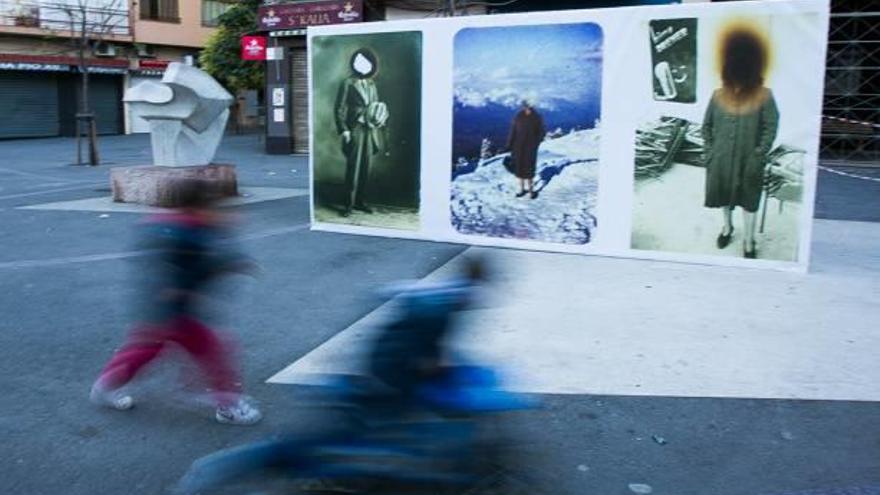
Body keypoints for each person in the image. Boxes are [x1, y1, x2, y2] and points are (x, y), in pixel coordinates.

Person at [89, 178, 262, 425]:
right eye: (212, 207)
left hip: (154, 307)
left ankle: (105, 386)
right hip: (173, 310)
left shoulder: (167, 223)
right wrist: (234, 264)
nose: (216, 212)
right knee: (213, 352)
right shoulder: (188, 233)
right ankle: (229, 406)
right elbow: (200, 266)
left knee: (143, 350)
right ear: (198, 207)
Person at [702, 26, 779, 259]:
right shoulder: (717, 95)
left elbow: (771, 127)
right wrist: (711, 151)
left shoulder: (764, 94)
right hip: (721, 158)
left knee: (749, 199)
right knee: (723, 195)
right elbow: (706, 126)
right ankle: (727, 227)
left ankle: (749, 240)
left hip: (749, 159)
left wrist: (759, 153)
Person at [334, 48, 389, 217]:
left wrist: (379, 120)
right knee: (353, 167)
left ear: (371, 64)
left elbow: (376, 105)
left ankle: (360, 202)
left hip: (370, 129)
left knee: (366, 167)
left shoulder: (372, 83)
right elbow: (339, 108)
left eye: (364, 61)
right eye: (358, 61)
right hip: (355, 127)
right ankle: (348, 205)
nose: (361, 64)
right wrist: (344, 130)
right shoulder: (348, 82)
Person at [506, 101, 545, 200]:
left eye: (528, 105)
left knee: (529, 169)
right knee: (519, 168)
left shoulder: (537, 117)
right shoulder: (518, 116)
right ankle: (522, 189)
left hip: (530, 148)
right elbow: (513, 131)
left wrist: (535, 143)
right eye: (524, 105)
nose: (526, 107)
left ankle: (531, 191)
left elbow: (541, 132)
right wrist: (509, 145)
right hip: (517, 147)